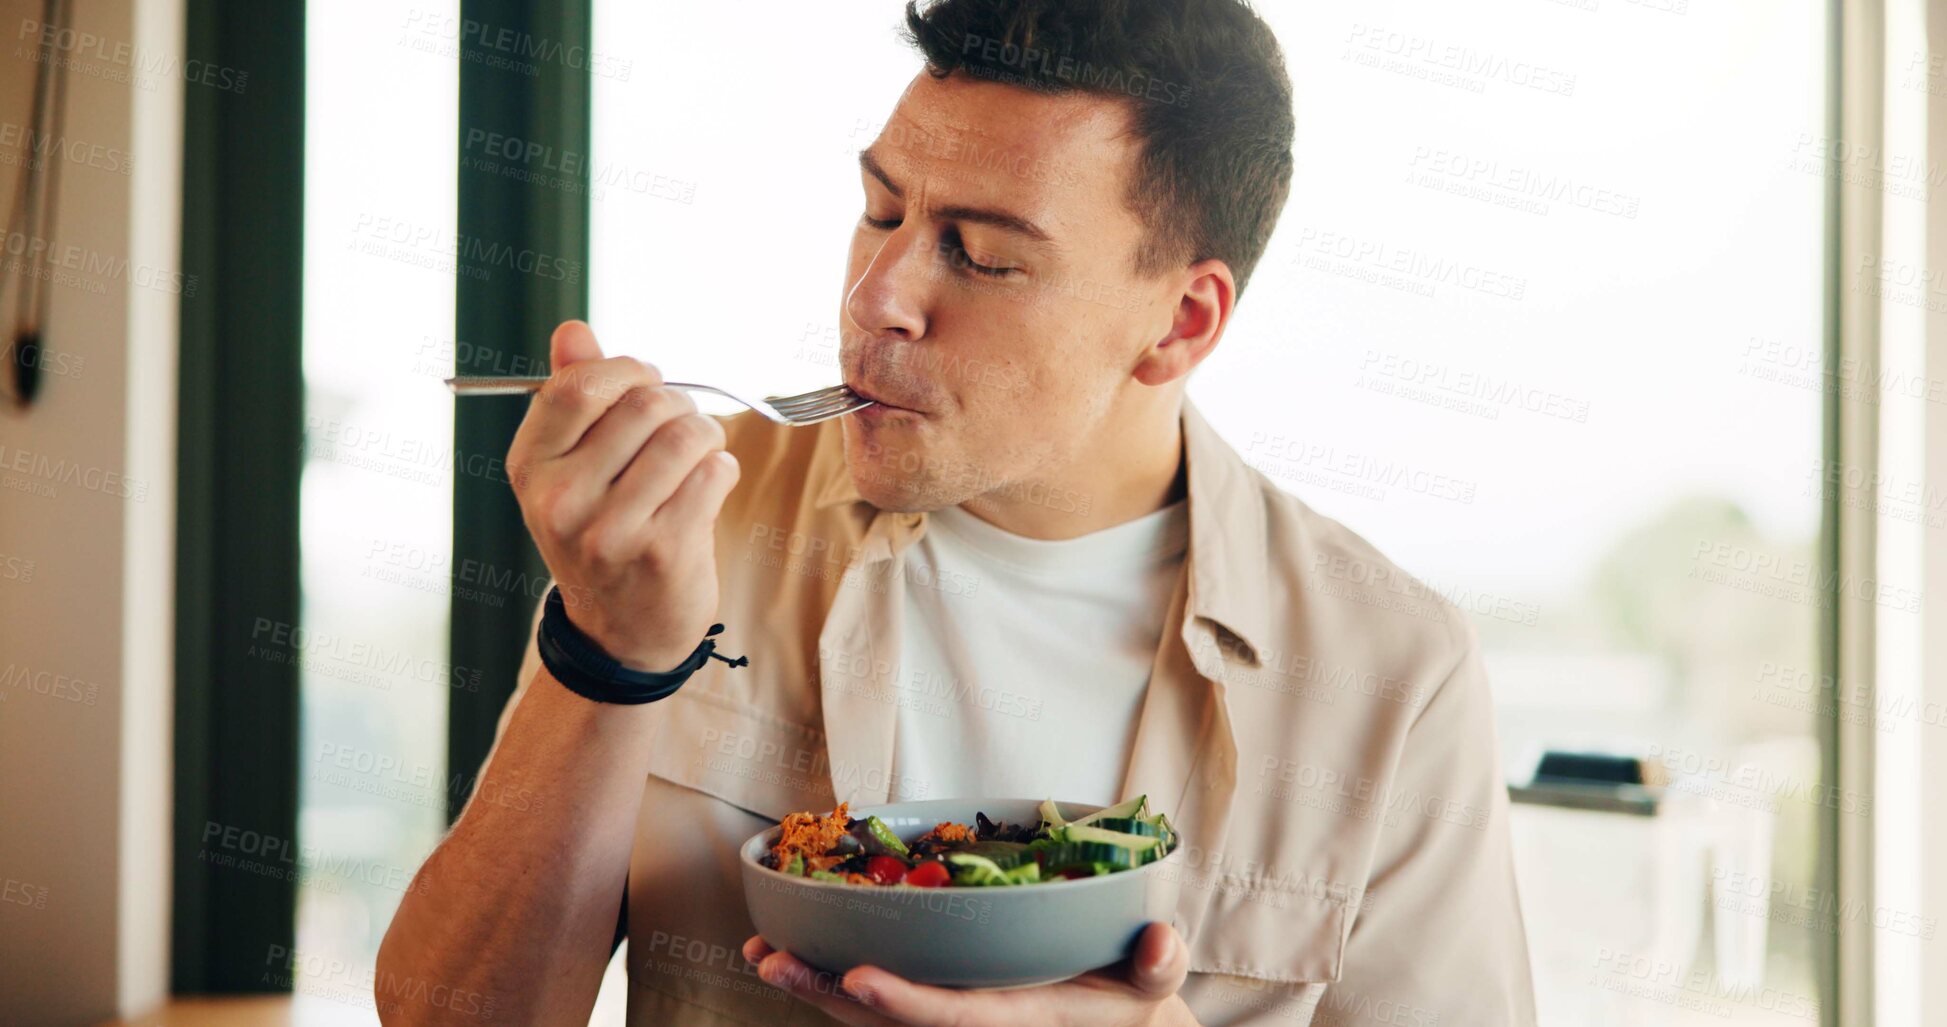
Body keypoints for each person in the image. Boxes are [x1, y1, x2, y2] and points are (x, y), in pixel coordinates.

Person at [377, 1, 1537, 1024]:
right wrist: (606, 654)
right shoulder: (687, 524)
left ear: (1181, 321)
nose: (876, 297)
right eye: (880, 211)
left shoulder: (1391, 669)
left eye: (977, 256)